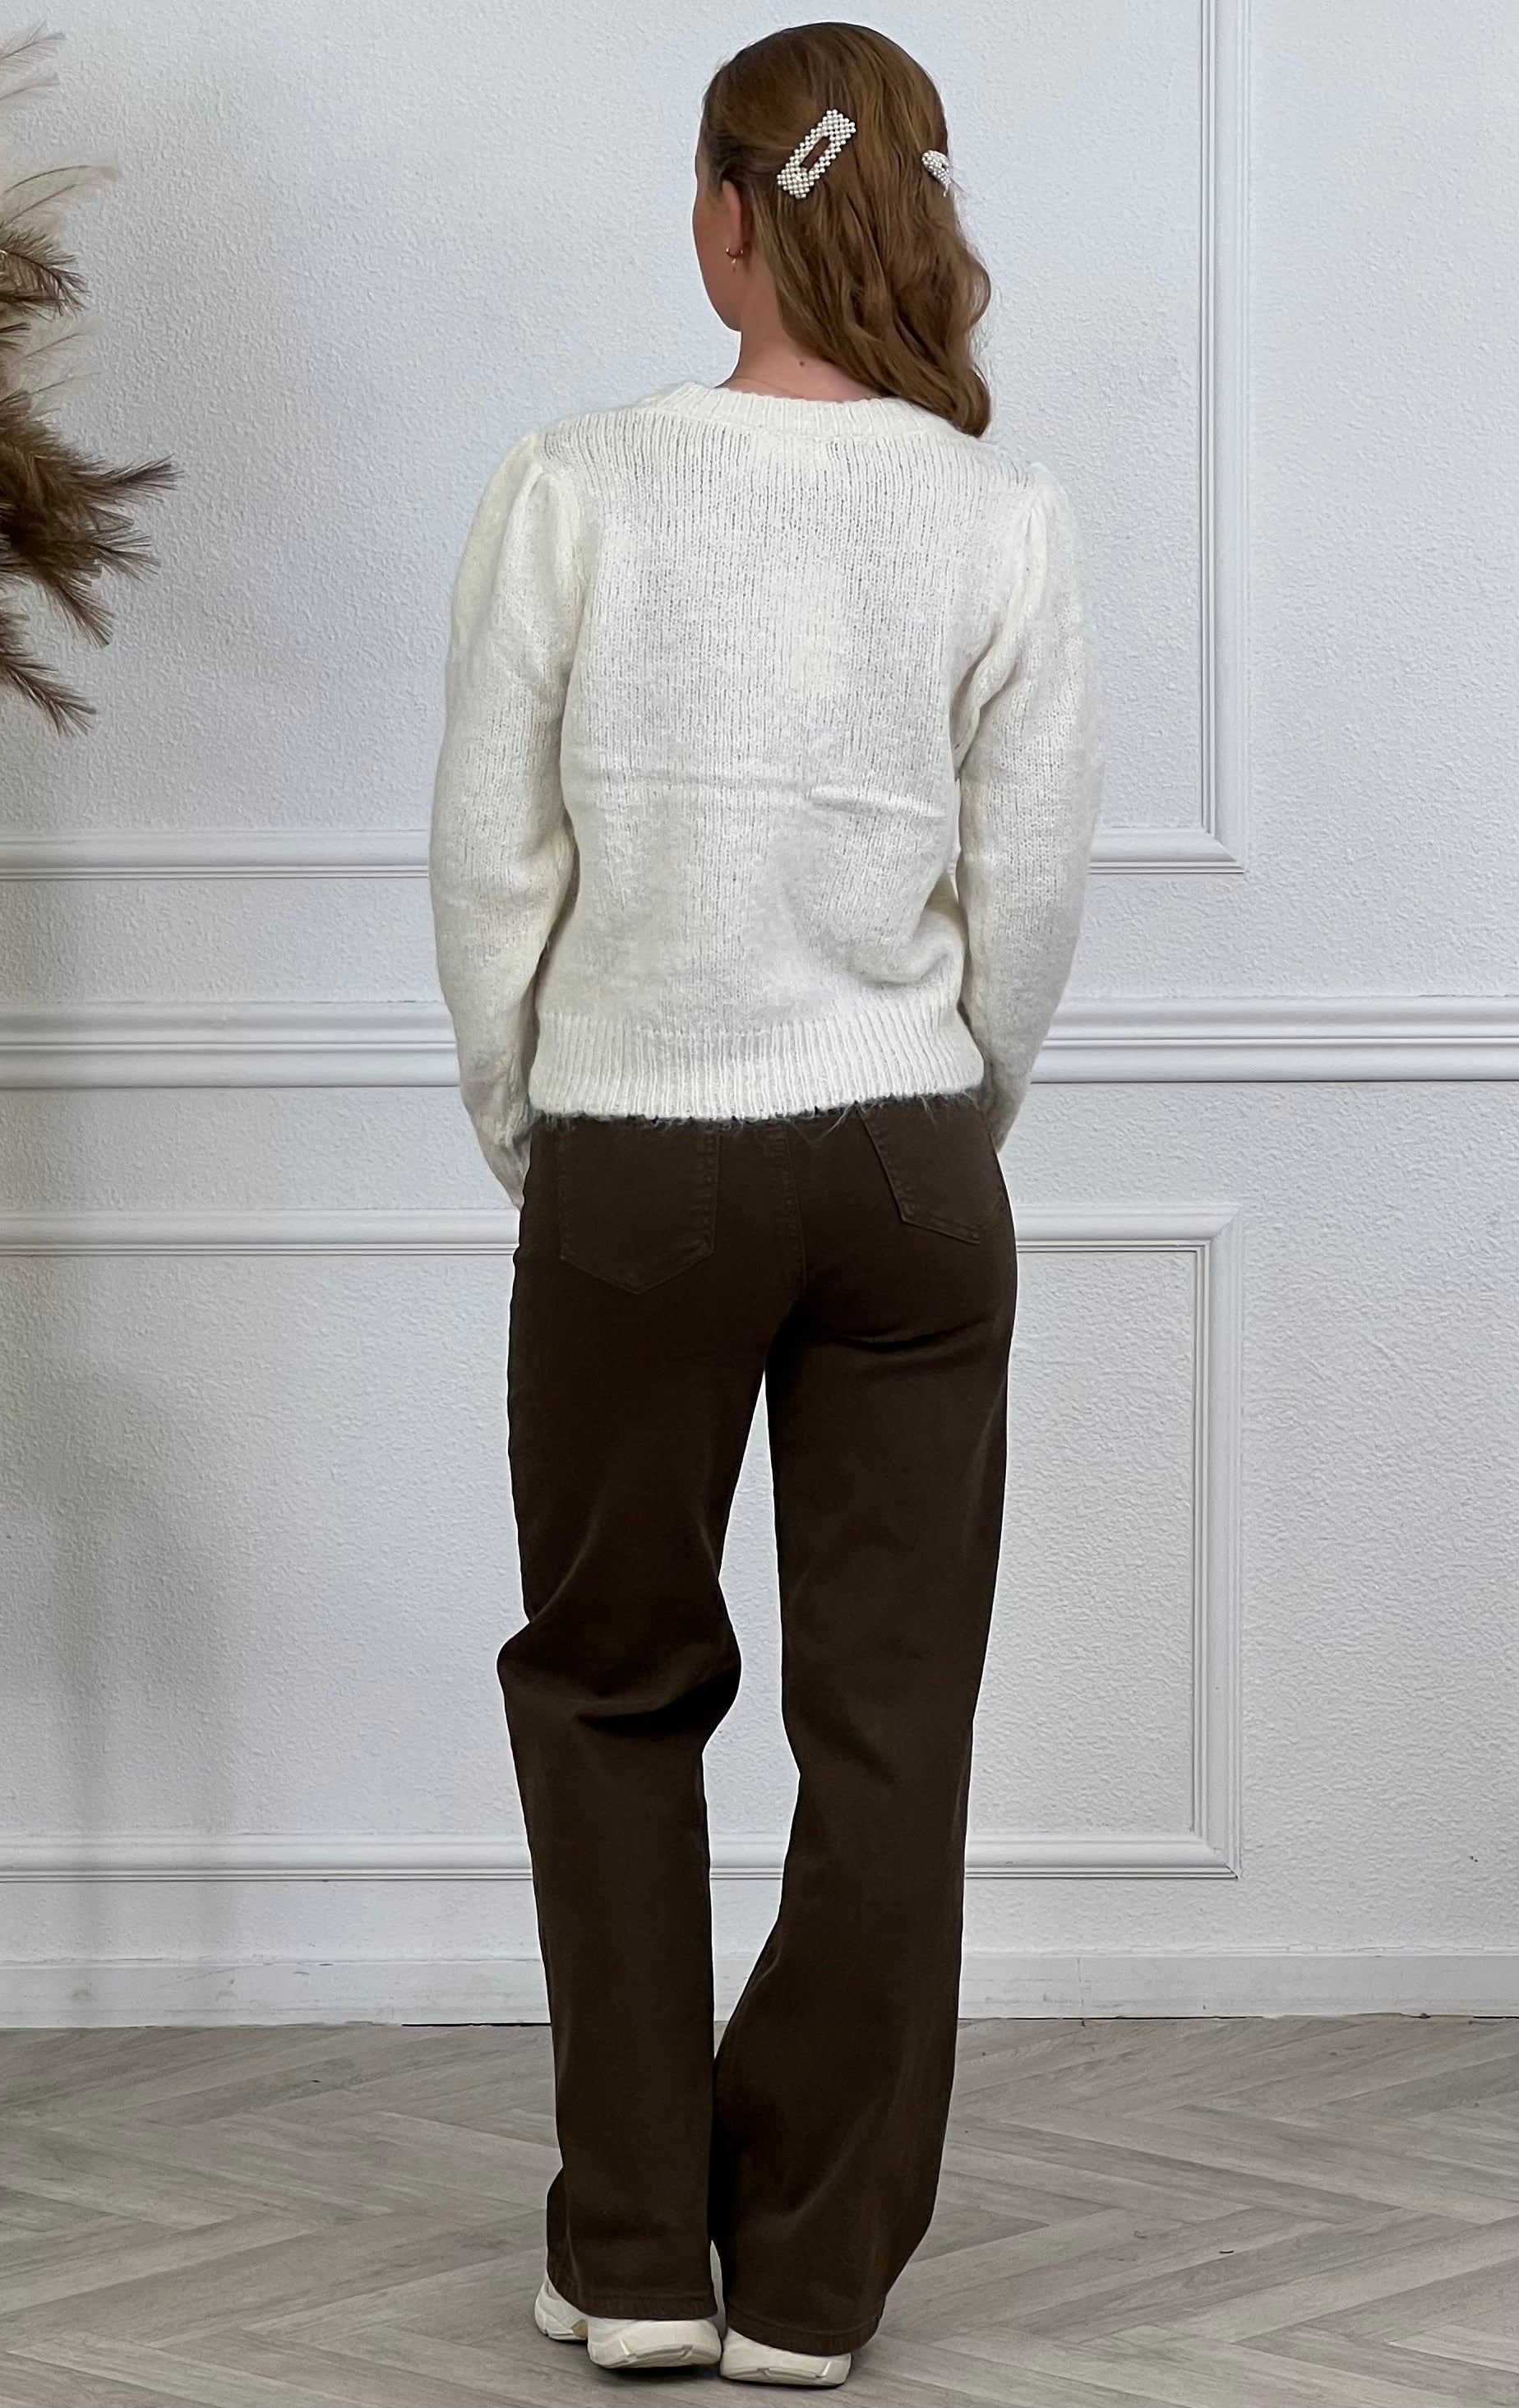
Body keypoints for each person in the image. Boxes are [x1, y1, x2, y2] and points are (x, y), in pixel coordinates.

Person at [428, 20, 1104, 2388]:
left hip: (637, 1158)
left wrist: (542, 1130)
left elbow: (492, 862)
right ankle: (808, 2278)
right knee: (891, 1726)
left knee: (611, 1684)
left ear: (728, 214)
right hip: (909, 1162)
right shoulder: (996, 514)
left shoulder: (574, 485)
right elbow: (1028, 901)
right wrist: (944, 1117)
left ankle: (633, 2251)